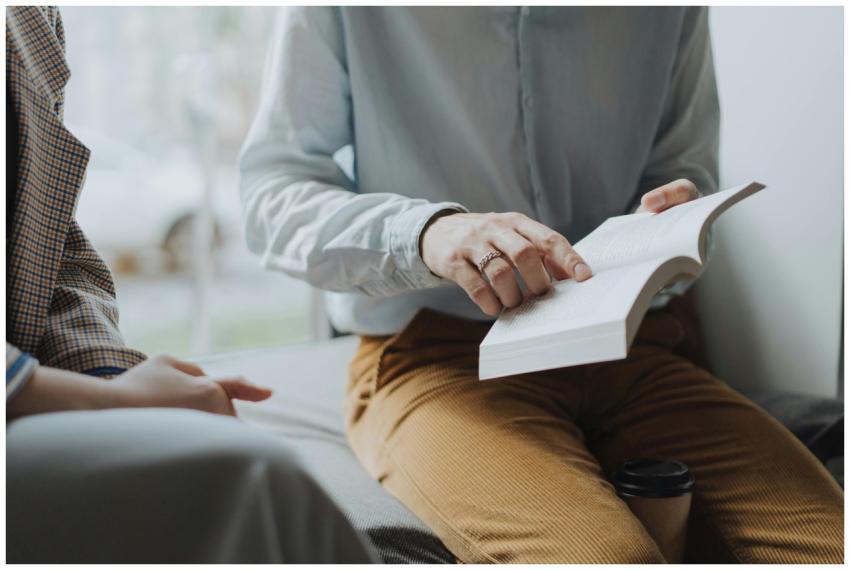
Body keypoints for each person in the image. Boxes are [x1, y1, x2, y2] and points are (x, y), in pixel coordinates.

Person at [239, 6, 844, 563]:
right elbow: (271, 199)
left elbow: (685, 166)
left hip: (631, 348)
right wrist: (426, 234)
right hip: (438, 358)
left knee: (828, 543)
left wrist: (680, 211)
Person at [6, 6, 376, 563]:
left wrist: (107, 374)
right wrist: (105, 403)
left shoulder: (31, 17)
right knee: (254, 476)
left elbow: (51, 249)